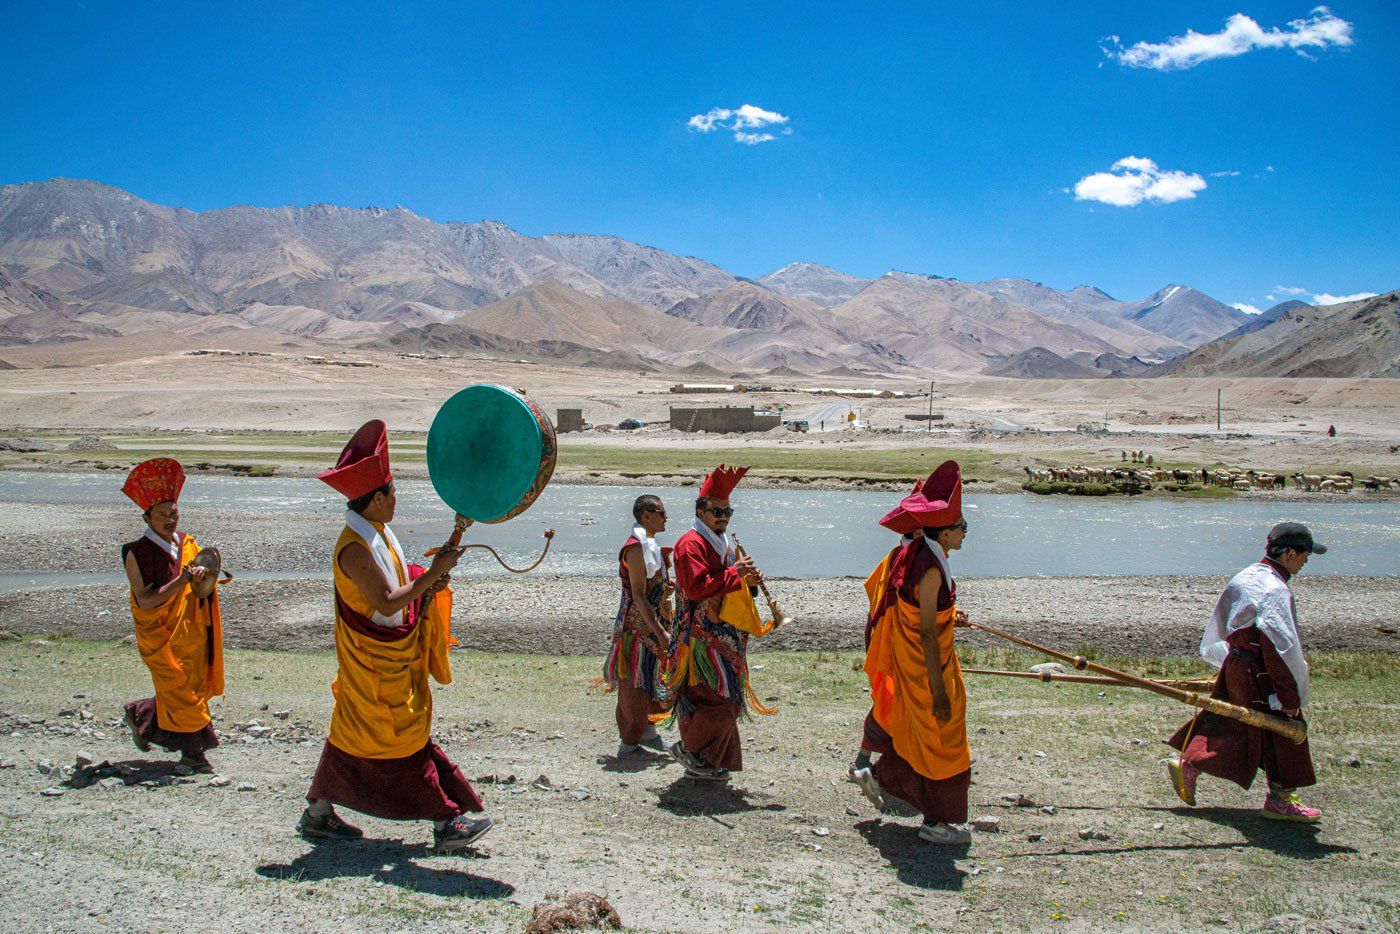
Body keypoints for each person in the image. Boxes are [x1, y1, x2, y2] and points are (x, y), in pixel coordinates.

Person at [298, 420, 492, 852]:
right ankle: (446, 821)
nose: (397, 502)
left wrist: (430, 577)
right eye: (394, 494)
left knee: (354, 732)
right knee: (400, 733)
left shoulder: (377, 535)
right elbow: (386, 603)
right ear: (379, 497)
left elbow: (404, 583)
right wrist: (434, 576)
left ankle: (318, 813)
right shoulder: (353, 548)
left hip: (380, 664)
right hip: (376, 666)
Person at [1166, 522, 1326, 823]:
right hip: (1260, 673)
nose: (1306, 560)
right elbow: (1281, 648)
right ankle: (1281, 800)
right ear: (1290, 553)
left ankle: (1192, 764)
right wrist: (1289, 696)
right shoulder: (1276, 590)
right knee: (1286, 732)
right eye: (1305, 553)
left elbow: (1225, 621)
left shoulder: (1249, 575)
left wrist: (1230, 663)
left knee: (1233, 721)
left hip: (1238, 665)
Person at [859, 460, 974, 845]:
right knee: (943, 737)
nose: (964, 535)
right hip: (925, 668)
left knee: (920, 734)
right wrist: (939, 691)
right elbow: (925, 630)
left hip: (919, 662)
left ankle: (882, 777)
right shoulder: (930, 569)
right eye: (962, 528)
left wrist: (951, 616)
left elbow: (932, 615)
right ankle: (936, 822)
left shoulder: (920, 553)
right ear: (944, 531)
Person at [662, 464, 774, 780]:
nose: (723, 517)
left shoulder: (719, 543)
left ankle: (708, 761)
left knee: (719, 697)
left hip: (721, 634)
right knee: (716, 698)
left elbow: (728, 585)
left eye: (728, 511)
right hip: (700, 638)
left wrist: (749, 581)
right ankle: (692, 750)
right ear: (701, 511)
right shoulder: (690, 543)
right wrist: (734, 572)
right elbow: (696, 587)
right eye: (717, 511)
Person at [119, 458, 224, 773]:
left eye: (174, 513)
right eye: (162, 515)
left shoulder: (188, 545)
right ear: (147, 516)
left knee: (189, 689)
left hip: (193, 633)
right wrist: (181, 582)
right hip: (161, 637)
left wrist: (206, 573)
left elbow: (206, 577)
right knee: (179, 689)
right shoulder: (135, 552)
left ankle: (140, 715)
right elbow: (146, 601)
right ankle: (194, 753)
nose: (170, 520)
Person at [601, 494, 674, 757]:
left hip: (651, 624)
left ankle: (648, 731)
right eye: (662, 513)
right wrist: (660, 630)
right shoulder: (634, 548)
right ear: (646, 516)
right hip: (638, 628)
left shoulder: (649, 544)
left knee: (652, 677)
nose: (666, 518)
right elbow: (638, 595)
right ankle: (629, 742)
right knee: (635, 682)